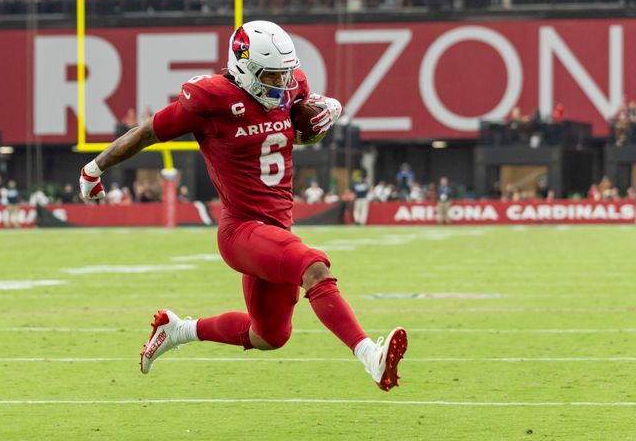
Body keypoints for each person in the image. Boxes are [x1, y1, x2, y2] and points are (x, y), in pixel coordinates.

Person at [78, 20, 407, 391]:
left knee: (269, 335)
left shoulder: (291, 84)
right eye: (270, 76)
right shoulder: (210, 99)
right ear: (244, 68)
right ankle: (370, 356)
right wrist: (94, 168)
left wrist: (330, 108)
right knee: (313, 267)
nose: (282, 85)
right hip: (242, 230)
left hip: (276, 229)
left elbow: (296, 128)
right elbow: (148, 132)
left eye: (285, 75)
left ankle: (178, 329)